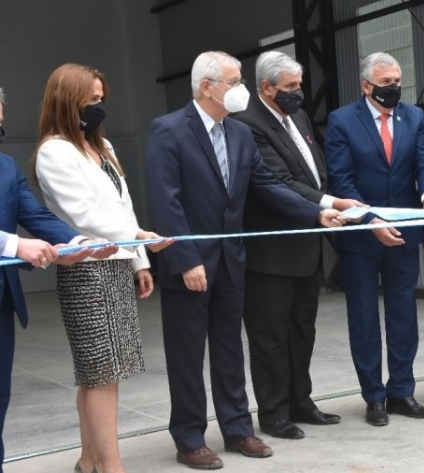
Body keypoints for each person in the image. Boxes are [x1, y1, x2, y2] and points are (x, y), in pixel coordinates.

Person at [146, 51, 345, 470]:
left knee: (229, 350)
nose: (241, 90)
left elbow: (269, 185)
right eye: (234, 82)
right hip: (190, 265)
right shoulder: (168, 131)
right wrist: (185, 259)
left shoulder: (237, 133)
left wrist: (315, 212)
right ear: (207, 87)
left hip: (233, 260)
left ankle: (238, 428)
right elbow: (166, 203)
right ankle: (189, 437)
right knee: (186, 355)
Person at [32, 65, 171, 473]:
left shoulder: (103, 145)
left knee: (103, 373)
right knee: (99, 372)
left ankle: (90, 459)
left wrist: (139, 260)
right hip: (86, 270)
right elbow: (84, 215)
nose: (99, 107)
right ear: (67, 101)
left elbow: (122, 206)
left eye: (100, 98)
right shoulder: (55, 151)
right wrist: (140, 237)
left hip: (117, 263)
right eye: (91, 100)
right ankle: (112, 466)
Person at [231, 51, 352, 440]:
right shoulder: (248, 123)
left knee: (303, 330)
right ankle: (273, 412)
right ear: (266, 88)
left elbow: (313, 172)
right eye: (290, 87)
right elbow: (276, 181)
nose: (298, 93)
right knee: (270, 337)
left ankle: (302, 401)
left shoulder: (296, 117)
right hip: (271, 253)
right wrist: (328, 204)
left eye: (298, 85)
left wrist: (327, 199)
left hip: (306, 247)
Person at [0, 86, 116, 473]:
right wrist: (16, 246)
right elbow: (21, 239)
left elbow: (38, 217)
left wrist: (79, 243)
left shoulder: (6, 168)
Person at [325, 52, 424, 427]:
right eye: (386, 82)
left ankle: (402, 392)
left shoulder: (413, 117)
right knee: (363, 317)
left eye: (397, 80)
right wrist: (371, 219)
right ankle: (373, 396)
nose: (394, 88)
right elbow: (342, 181)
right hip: (361, 237)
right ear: (366, 86)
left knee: (404, 314)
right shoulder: (342, 121)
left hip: (405, 233)